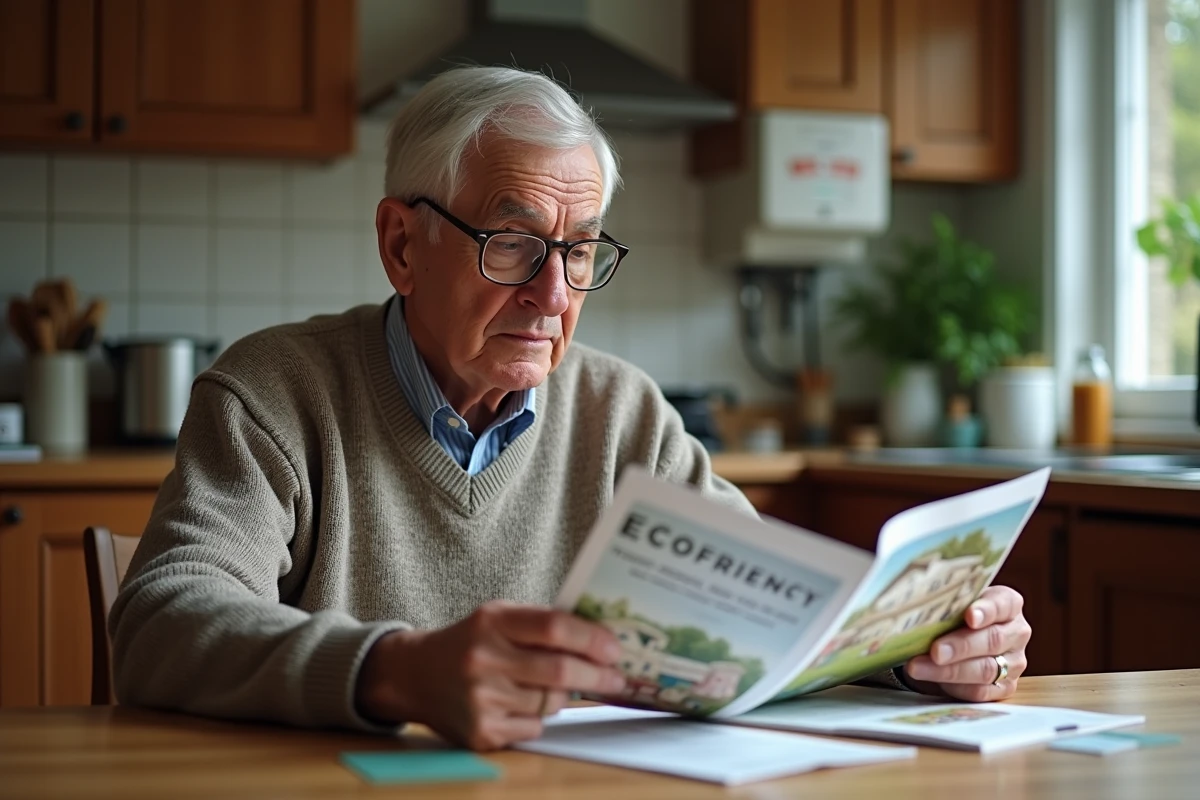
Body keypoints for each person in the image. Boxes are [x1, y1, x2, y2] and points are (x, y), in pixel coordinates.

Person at [109, 66, 1032, 751]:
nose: (553, 294)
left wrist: (919, 646)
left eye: (580, 250)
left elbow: (779, 620)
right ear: (401, 244)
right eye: (510, 243)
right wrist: (394, 671)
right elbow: (161, 620)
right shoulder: (275, 391)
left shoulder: (625, 413)